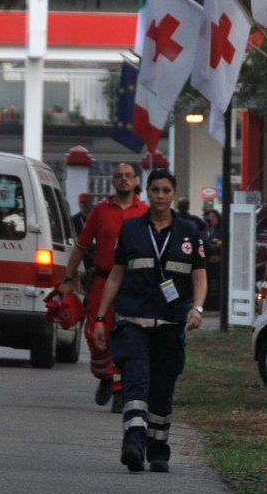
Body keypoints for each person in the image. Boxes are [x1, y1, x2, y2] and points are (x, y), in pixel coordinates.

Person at [95, 168, 207, 473]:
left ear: (173, 194)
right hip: (133, 321)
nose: (160, 196)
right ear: (146, 192)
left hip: (170, 324)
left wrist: (196, 308)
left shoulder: (189, 232)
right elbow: (115, 276)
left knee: (162, 388)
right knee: (136, 381)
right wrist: (100, 318)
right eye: (155, 190)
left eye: (166, 191)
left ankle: (158, 448)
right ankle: (133, 442)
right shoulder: (131, 230)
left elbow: (199, 275)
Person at [60, 162, 146, 407]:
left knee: (129, 334)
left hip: (132, 282)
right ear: (112, 181)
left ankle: (120, 388)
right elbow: (81, 246)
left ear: (136, 181)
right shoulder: (100, 211)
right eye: (119, 176)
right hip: (102, 280)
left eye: (129, 176)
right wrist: (68, 278)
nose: (124, 180)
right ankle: (105, 376)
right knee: (95, 334)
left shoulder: (144, 212)